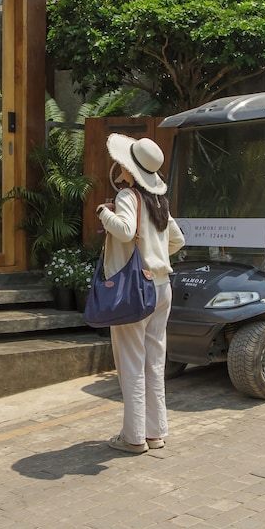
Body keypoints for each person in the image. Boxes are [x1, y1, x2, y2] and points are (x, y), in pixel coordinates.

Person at [95, 134, 185, 454]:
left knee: (132, 363)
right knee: (154, 362)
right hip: (161, 286)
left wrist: (103, 212)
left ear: (129, 169)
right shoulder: (159, 202)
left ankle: (133, 438)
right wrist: (154, 254)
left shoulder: (127, 196)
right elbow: (178, 240)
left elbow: (124, 231)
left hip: (135, 289)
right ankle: (155, 433)